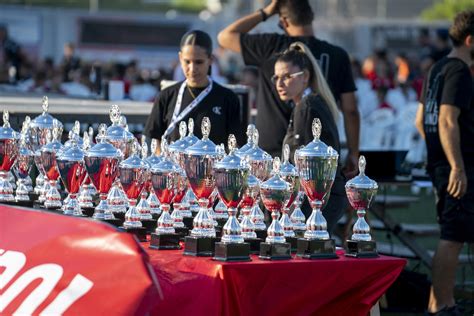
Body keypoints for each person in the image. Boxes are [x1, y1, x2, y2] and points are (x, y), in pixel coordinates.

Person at [218, 0, 360, 177]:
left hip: (271, 155)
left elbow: (224, 37)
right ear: (310, 18)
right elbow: (351, 110)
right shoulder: (337, 54)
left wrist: (266, 12)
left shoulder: (271, 45)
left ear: (284, 22)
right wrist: (354, 153)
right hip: (320, 155)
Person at [415, 10, 474, 316]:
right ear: (470, 40)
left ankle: (436, 304)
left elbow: (419, 120)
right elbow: (448, 120)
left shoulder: (437, 68)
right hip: (456, 167)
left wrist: (438, 157)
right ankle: (444, 306)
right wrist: (457, 165)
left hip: (441, 165)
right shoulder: (460, 71)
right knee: (452, 237)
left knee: (453, 234)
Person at [274, 42, 347, 234]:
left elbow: (305, 166)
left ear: (305, 76)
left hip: (316, 199)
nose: (280, 83)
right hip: (322, 197)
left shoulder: (308, 107)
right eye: (277, 77)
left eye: (287, 77)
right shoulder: (308, 104)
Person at [144, 30, 242, 151]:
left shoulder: (228, 98)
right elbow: (155, 139)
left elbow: (234, 144)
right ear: (180, 58)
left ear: (210, 60)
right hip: (174, 168)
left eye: (199, 62)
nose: (192, 68)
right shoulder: (166, 95)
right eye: (187, 61)